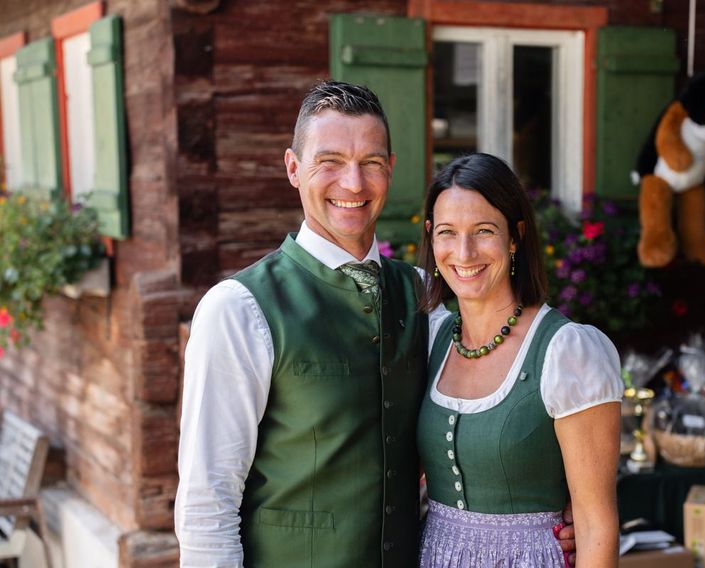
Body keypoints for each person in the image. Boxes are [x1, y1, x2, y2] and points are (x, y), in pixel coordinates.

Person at [175, 82, 576, 567]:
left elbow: (495, 416)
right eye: (330, 162)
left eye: (371, 163)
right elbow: (206, 502)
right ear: (293, 169)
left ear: (391, 170)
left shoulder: (429, 298)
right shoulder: (238, 309)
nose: (354, 184)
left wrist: (561, 507)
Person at [417, 153, 622, 567]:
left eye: (484, 231)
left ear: (515, 237)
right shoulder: (433, 337)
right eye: (447, 233)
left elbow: (595, 525)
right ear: (430, 237)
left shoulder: (567, 351)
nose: (464, 251)